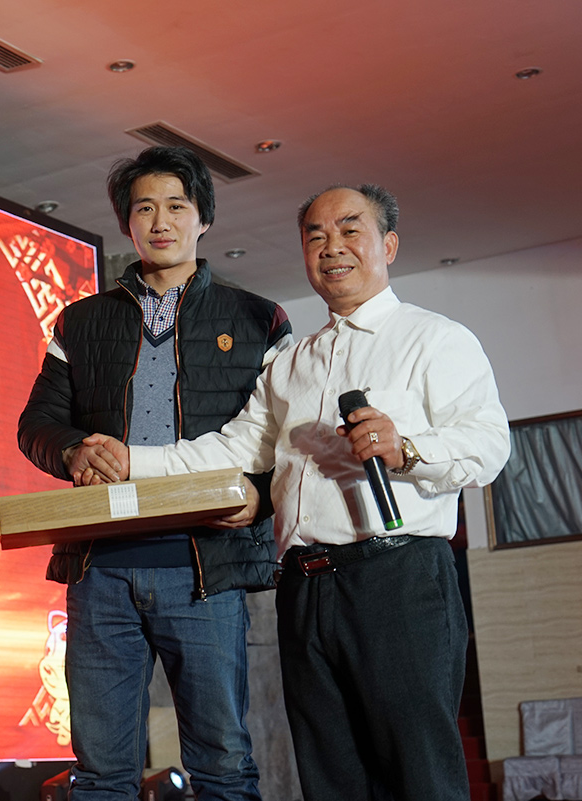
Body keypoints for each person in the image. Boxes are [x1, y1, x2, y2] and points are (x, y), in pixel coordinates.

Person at [87, 184, 511, 801]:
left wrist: (406, 449)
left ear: (389, 245)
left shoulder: (435, 339)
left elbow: (489, 446)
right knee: (329, 776)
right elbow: (231, 449)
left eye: (349, 231)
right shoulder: (291, 364)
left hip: (397, 579)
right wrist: (132, 461)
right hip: (305, 587)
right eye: (315, 236)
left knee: (418, 775)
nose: (331, 247)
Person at [17, 145, 292, 801]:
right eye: (144, 209)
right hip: (100, 569)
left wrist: (259, 496)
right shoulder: (81, 321)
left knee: (223, 765)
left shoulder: (258, 318)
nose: (160, 221)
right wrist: (73, 450)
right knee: (100, 772)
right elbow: (36, 423)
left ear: (203, 219)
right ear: (127, 223)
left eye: (176, 206)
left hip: (205, 565)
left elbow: (284, 435)